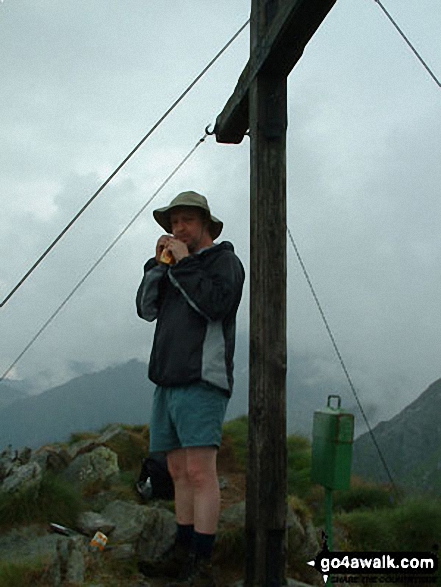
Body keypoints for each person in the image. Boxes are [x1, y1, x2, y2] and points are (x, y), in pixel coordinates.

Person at [136, 191, 245, 587]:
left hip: (202, 378)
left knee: (200, 472)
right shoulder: (173, 268)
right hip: (166, 379)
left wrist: (183, 263)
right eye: (173, 223)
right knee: (178, 470)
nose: (178, 229)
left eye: (186, 222)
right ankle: (182, 550)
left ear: (205, 225)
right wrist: (156, 266)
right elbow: (146, 309)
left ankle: (202, 560)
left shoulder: (225, 263)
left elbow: (216, 305)